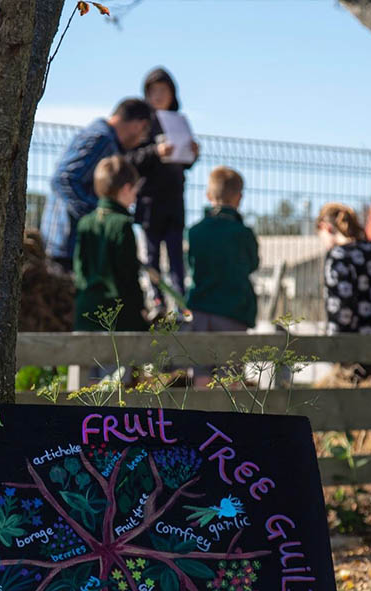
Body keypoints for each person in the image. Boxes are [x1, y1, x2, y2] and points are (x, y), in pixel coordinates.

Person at [41, 98, 154, 273]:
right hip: (68, 245)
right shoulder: (102, 139)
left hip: (63, 243)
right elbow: (63, 179)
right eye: (143, 136)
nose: (139, 141)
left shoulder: (98, 135)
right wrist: (99, 217)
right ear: (139, 125)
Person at [128, 68, 199, 298]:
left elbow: (183, 163)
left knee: (176, 254)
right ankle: (155, 299)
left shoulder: (180, 122)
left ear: (172, 94)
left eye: (163, 90)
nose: (158, 96)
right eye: (153, 91)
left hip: (174, 200)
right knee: (151, 256)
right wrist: (155, 152)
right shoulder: (142, 124)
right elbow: (132, 159)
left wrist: (193, 154)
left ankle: (180, 301)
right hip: (150, 201)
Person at [186, 167, 258, 385]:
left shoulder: (195, 231)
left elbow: (192, 264)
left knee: (201, 373)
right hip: (233, 311)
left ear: (209, 195)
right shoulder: (243, 233)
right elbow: (253, 264)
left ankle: (199, 418)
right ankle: (228, 419)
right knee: (231, 375)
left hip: (200, 311)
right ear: (239, 198)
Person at [317, 202, 371, 383]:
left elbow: (341, 307)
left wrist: (332, 347)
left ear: (325, 227)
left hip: (351, 347)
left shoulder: (338, 256)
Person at [72, 156, 147, 332]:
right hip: (117, 315)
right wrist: (139, 309)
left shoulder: (85, 222)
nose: (136, 196)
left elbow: (79, 269)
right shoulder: (122, 224)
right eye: (135, 190)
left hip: (86, 311)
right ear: (127, 189)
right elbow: (128, 274)